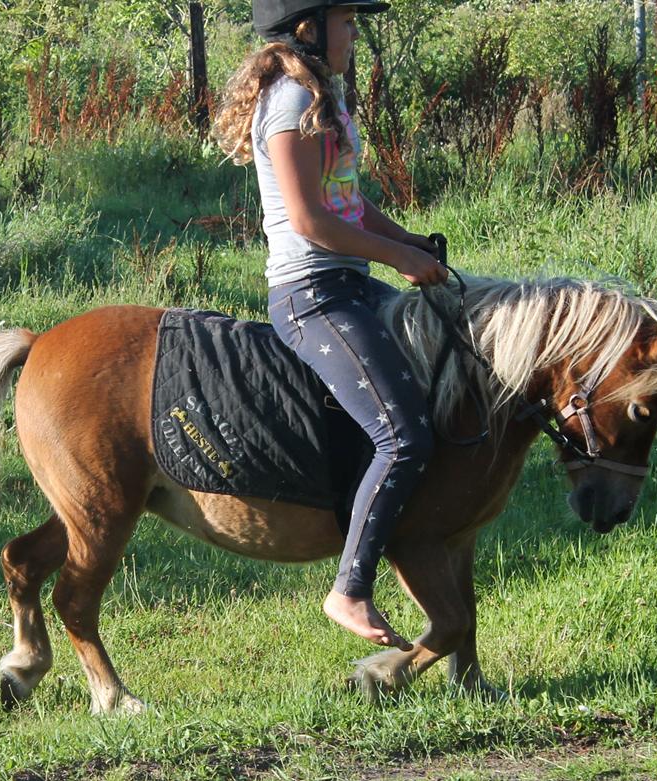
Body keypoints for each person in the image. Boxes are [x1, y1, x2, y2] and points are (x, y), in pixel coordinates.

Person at [213, 0, 448, 651]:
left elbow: (347, 200)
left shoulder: (320, 96)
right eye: (346, 20)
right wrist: (399, 259)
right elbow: (313, 221)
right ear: (308, 27)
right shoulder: (289, 101)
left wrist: (409, 242)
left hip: (347, 284)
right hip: (312, 296)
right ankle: (349, 587)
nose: (354, 31)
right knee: (403, 436)